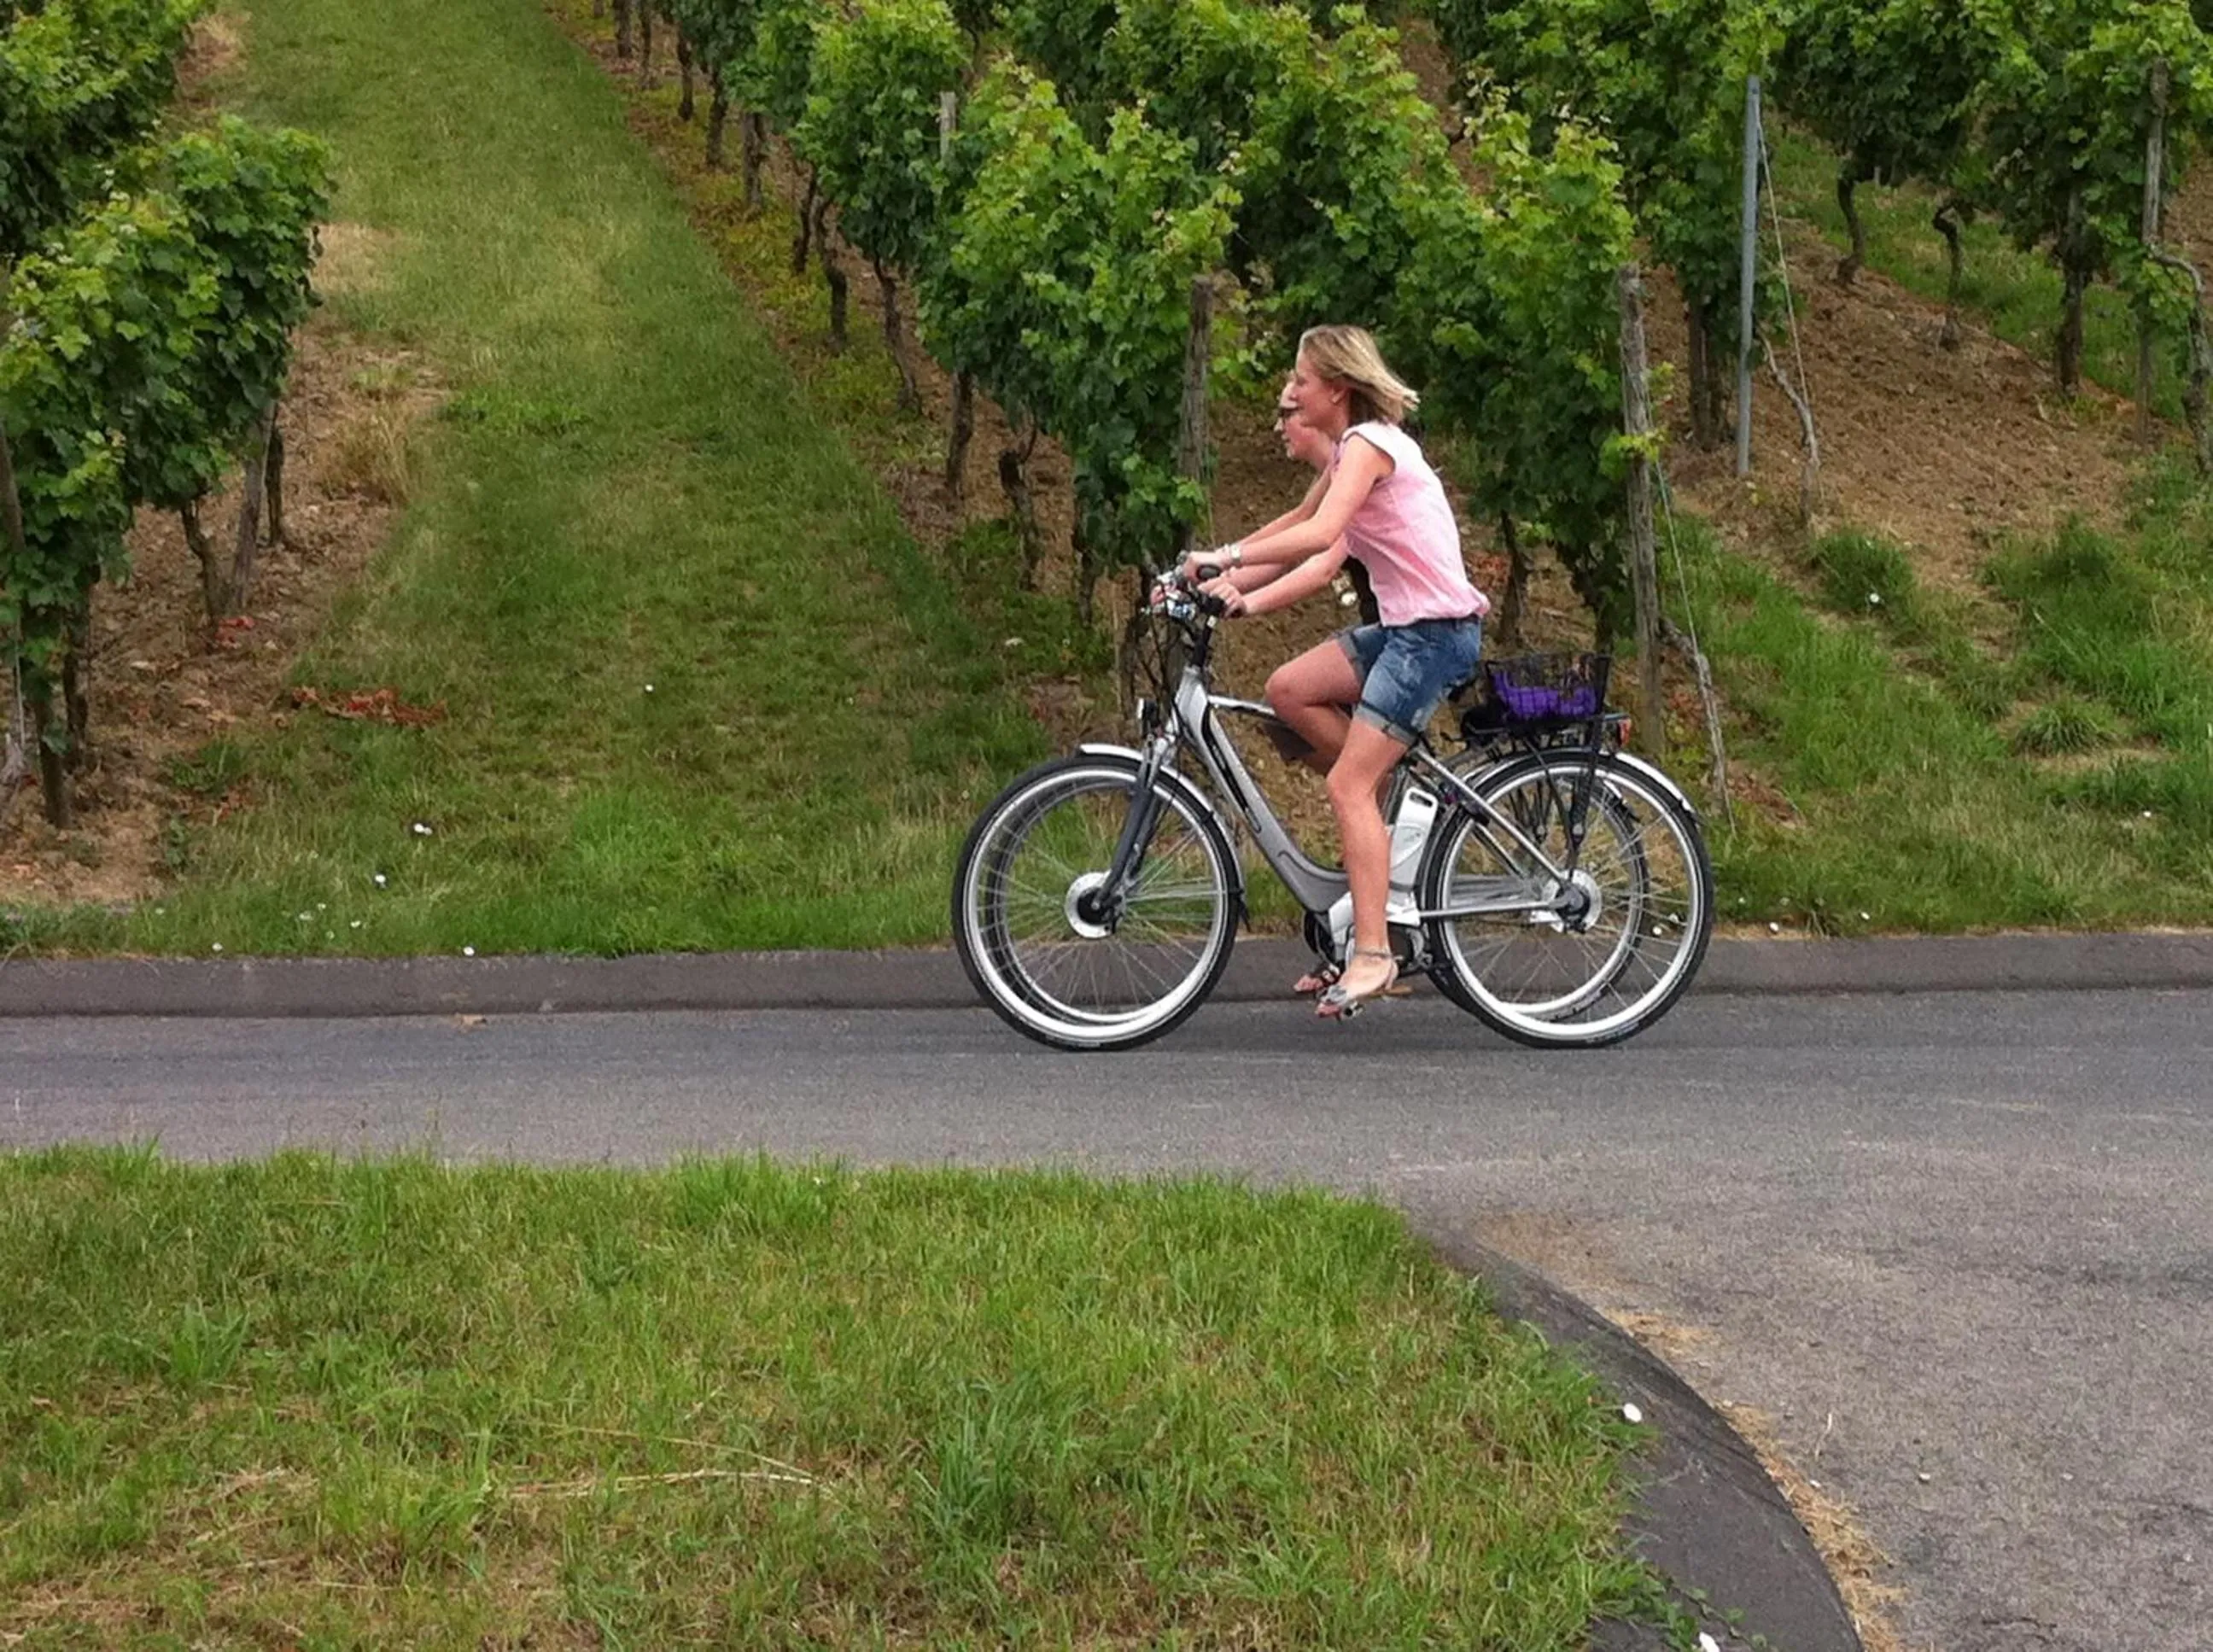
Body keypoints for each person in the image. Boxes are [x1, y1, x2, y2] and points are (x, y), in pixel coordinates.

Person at [1181, 324, 1487, 1019]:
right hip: (1405, 630)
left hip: (1432, 637)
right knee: (1290, 690)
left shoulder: (1372, 445)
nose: (1291, 394)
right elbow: (1296, 524)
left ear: (1338, 389)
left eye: (1301, 381)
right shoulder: (1354, 450)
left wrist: (1225, 562)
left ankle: (1374, 953)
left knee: (1347, 783)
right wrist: (1205, 574)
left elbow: (1320, 542)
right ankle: (1378, 814)